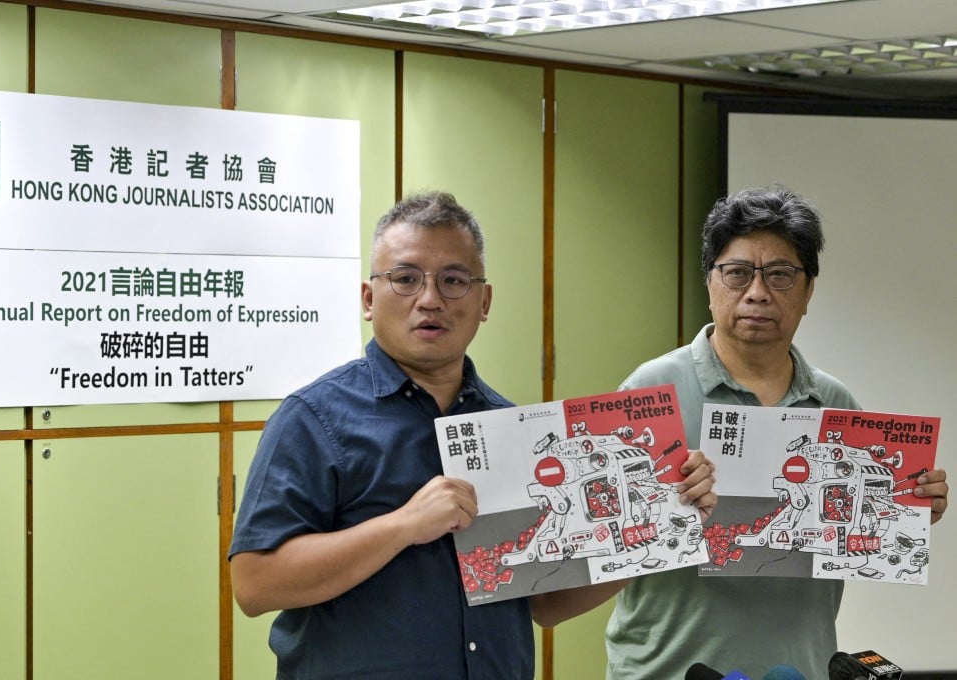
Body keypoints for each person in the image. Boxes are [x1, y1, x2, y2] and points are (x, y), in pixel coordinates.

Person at [228, 191, 718, 679]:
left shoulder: (510, 427)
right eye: (404, 279)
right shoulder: (314, 418)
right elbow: (254, 584)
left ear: (484, 302)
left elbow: (545, 601)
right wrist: (403, 526)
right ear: (368, 298)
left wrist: (658, 532)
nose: (430, 299)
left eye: (454, 281)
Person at [601, 185, 949, 680]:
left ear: (808, 292)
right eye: (738, 273)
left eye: (781, 275)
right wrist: (661, 500)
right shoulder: (653, 391)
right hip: (670, 671)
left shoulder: (837, 406)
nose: (758, 293)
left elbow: (856, 536)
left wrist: (909, 508)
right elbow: (601, 543)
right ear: (710, 282)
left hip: (797, 670)